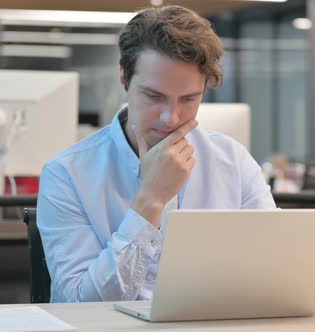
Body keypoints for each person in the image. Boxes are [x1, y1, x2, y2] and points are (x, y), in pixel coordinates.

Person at [37, 5, 276, 303]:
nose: (171, 119)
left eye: (189, 99)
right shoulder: (66, 174)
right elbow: (81, 306)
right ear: (124, 78)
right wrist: (151, 200)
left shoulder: (233, 161)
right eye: (154, 96)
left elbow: (272, 273)